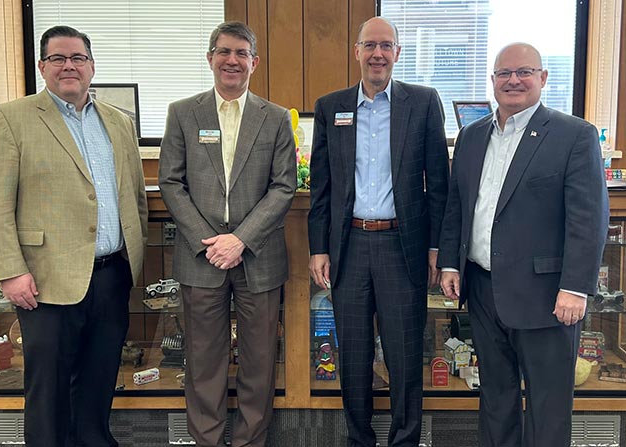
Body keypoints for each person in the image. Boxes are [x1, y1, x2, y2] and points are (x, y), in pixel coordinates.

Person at [0, 25, 148, 447]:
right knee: (49, 390)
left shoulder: (119, 123)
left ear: (92, 66)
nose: (69, 66)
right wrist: (10, 271)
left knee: (99, 383)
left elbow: (135, 196)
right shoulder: (10, 119)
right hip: (44, 281)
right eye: (58, 58)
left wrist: (132, 260)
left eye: (78, 58)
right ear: (42, 66)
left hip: (111, 276)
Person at [438, 43, 609, 447]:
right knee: (496, 401)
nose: (513, 80)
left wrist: (575, 286)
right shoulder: (472, 136)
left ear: (543, 78)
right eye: (504, 73)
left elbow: (589, 218)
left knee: (548, 406)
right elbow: (457, 205)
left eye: (524, 72)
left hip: (547, 297)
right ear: (493, 80)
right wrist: (450, 263)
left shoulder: (574, 135)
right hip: (483, 290)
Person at [308, 17, 449, 447]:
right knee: (354, 358)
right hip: (348, 247)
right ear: (356, 51)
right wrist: (318, 248)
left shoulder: (422, 103)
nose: (378, 54)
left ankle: (405, 440)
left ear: (398, 53)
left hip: (401, 247)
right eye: (370, 45)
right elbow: (321, 186)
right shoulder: (331, 107)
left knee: (405, 356)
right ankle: (359, 440)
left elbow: (439, 183)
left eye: (386, 45)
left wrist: (436, 246)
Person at [158, 21, 296, 447]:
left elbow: (283, 187)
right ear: (210, 58)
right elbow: (170, 182)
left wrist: (240, 240)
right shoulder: (183, 113)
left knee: (259, 362)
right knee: (203, 362)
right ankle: (207, 441)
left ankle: (250, 441)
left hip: (259, 257)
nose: (231, 60)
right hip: (201, 258)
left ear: (255, 62)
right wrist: (210, 241)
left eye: (241, 53)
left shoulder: (275, 118)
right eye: (224, 52)